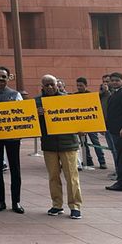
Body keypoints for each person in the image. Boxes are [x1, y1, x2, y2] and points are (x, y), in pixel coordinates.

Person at [36, 75, 83, 219]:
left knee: (72, 177)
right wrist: (37, 115)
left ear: (57, 85)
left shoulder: (68, 99)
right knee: (53, 177)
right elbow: (29, 123)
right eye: (46, 85)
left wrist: (82, 127)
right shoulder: (36, 102)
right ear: (42, 87)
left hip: (68, 143)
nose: (50, 87)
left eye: (52, 84)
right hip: (49, 144)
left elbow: (79, 117)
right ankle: (57, 205)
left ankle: (75, 206)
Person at [0, 66, 24, 213]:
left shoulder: (15, 95)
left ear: (9, 78)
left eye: (4, 76)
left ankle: (16, 202)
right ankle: (0, 201)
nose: (1, 79)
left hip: (12, 137)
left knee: (15, 169)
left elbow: (22, 114)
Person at [75, 77, 107, 169]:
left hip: (91, 123)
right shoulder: (74, 95)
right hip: (80, 123)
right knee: (83, 143)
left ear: (86, 85)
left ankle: (102, 161)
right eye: (77, 85)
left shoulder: (91, 95)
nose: (79, 87)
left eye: (81, 85)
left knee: (95, 142)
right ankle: (88, 161)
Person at [106, 72, 122, 191]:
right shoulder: (113, 94)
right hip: (113, 130)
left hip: (121, 131)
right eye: (112, 80)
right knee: (119, 155)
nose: (114, 82)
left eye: (117, 80)